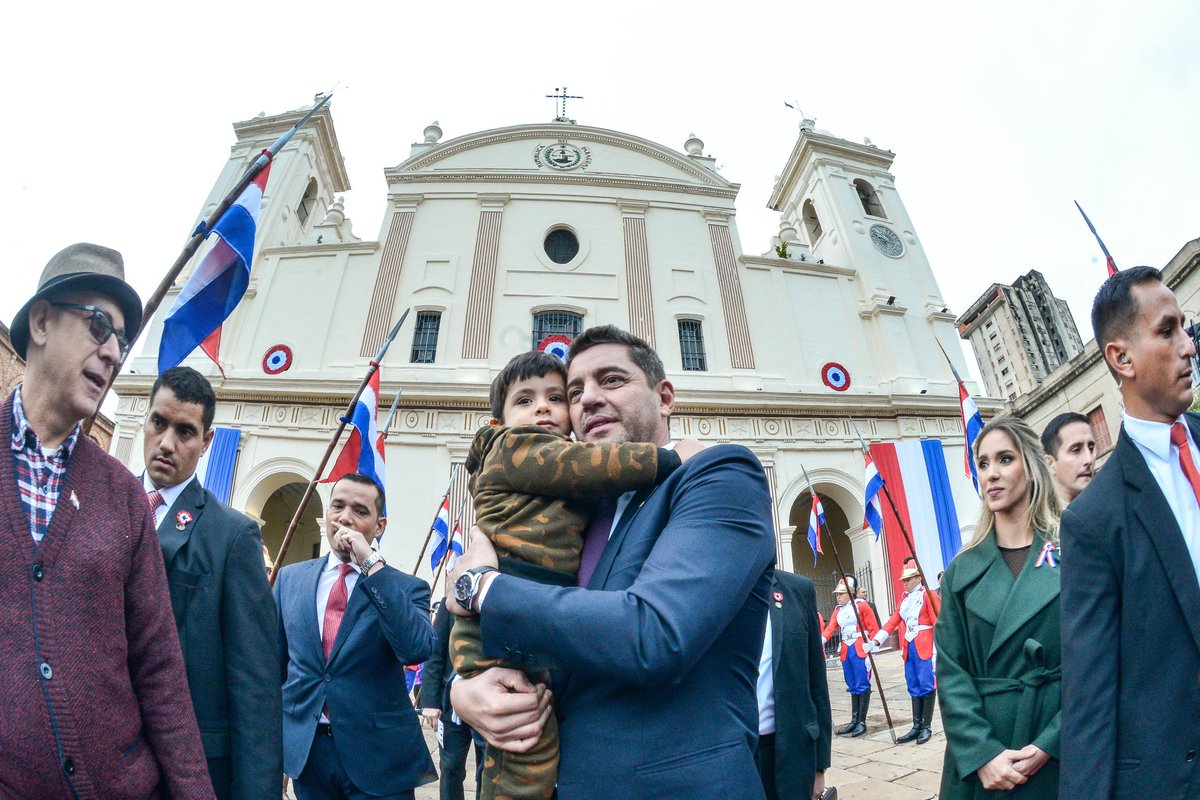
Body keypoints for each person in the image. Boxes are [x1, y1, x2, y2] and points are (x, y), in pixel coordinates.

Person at [447, 325, 776, 800]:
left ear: (664, 397)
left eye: (612, 381)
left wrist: (481, 589)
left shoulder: (715, 474)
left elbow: (655, 634)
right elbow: (490, 631)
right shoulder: (570, 510)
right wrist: (464, 693)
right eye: (575, 391)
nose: (587, 400)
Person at [0, 243, 214, 798]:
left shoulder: (122, 497)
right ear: (42, 321)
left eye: (121, 339)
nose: (114, 353)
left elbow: (161, 670)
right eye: (99, 326)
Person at [1061, 266, 1200, 799]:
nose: (1189, 345)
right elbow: (1090, 697)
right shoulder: (1093, 521)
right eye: (1168, 331)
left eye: (1185, 328)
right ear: (1121, 358)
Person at [142, 365, 281, 799]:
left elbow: (255, 680)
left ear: (206, 442)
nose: (167, 443)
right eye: (159, 423)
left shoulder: (232, 535)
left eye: (185, 432)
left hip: (188, 766)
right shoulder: (104, 507)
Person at [275, 473, 437, 799]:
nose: (345, 517)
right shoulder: (290, 579)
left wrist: (371, 564)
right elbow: (275, 667)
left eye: (360, 511)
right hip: (308, 753)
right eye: (338, 506)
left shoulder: (404, 588)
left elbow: (416, 647)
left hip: (379, 757)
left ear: (379, 526)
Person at [936, 415, 1061, 798]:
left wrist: (1051, 741)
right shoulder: (962, 569)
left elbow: (1100, 662)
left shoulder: (1075, 551)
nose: (991, 473)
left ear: (1031, 465)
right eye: (984, 463)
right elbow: (951, 671)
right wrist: (983, 754)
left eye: (1005, 459)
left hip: (1060, 746)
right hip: (984, 755)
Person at [756, 569, 832, 800]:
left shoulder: (797, 589)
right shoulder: (715, 589)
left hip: (793, 751)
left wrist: (820, 766)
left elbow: (816, 681)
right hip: (737, 753)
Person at [420, 601, 485, 800]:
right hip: (450, 705)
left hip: (487, 703)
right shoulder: (451, 604)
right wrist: (430, 703)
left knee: (487, 770)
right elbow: (435, 653)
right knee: (450, 767)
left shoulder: (499, 598)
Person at [871, 565, 938, 745]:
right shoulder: (904, 599)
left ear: (918, 578)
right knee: (913, 684)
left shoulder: (928, 595)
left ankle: (926, 726)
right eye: (904, 580)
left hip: (925, 644)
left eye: (908, 579)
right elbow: (894, 620)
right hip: (909, 645)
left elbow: (938, 622)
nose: (905, 583)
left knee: (926, 684)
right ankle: (916, 726)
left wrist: (938, 651)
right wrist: (877, 640)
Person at [820, 576, 879, 737]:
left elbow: (874, 627)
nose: (838, 596)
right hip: (846, 648)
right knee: (852, 684)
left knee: (862, 683)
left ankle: (861, 721)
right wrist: (819, 642)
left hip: (860, 645)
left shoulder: (862, 606)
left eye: (841, 593)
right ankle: (854, 721)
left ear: (850, 593)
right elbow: (830, 629)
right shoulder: (838, 610)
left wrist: (872, 645)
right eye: (837, 594)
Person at [1040, 412, 1096, 505]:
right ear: (1050, 464)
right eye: (1076, 450)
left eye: (1091, 449)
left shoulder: (1110, 506)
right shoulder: (1035, 517)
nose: (1089, 459)